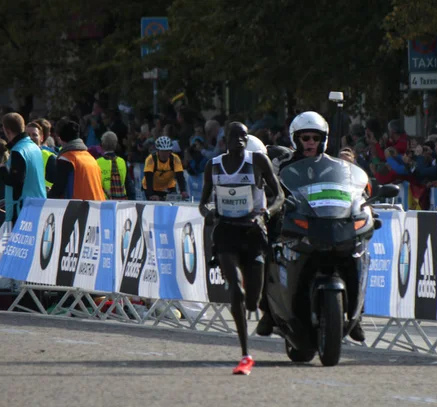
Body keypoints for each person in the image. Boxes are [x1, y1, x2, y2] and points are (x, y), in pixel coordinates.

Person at [259, 111, 367, 342]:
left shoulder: (335, 166)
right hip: (292, 222)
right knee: (265, 251)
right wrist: (269, 204)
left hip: (329, 223)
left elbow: (353, 191)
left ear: (323, 140)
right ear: (295, 139)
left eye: (315, 138)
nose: (310, 142)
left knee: (357, 254)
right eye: (305, 137)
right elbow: (268, 186)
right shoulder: (281, 163)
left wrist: (363, 205)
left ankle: (357, 316)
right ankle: (267, 311)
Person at [199, 122, 284, 375]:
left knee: (253, 299)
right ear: (225, 139)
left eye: (243, 137)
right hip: (226, 232)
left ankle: (253, 310)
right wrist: (208, 212)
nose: (239, 140)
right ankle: (245, 354)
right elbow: (203, 202)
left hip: (253, 232)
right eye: (234, 136)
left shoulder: (258, 161)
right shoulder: (212, 166)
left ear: (247, 140)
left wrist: (267, 213)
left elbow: (279, 196)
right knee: (235, 287)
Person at [0, 113, 46, 224]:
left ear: (6, 130)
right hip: (38, 207)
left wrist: (2, 170)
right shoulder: (35, 147)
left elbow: (15, 181)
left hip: (22, 212)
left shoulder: (18, 151)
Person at [49, 118, 106, 201]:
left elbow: (58, 189)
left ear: (59, 138)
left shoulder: (66, 158)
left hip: (79, 210)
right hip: (97, 207)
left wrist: (45, 195)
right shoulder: (90, 158)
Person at [142, 136, 189, 201]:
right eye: (162, 151)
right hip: (151, 187)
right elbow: (148, 178)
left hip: (168, 186)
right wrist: (151, 194)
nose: (165, 154)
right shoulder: (150, 159)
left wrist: (183, 191)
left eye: (167, 151)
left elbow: (180, 176)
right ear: (158, 150)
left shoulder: (175, 159)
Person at [96, 131, 135, 200]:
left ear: (102, 144)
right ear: (116, 144)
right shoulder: (122, 161)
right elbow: (128, 184)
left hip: (103, 202)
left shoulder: (97, 162)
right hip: (121, 202)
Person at [26, 121, 57, 191]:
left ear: (41, 138)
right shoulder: (18, 156)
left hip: (45, 200)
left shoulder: (50, 158)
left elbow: (59, 186)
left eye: (34, 135)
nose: (31, 137)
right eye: (27, 135)